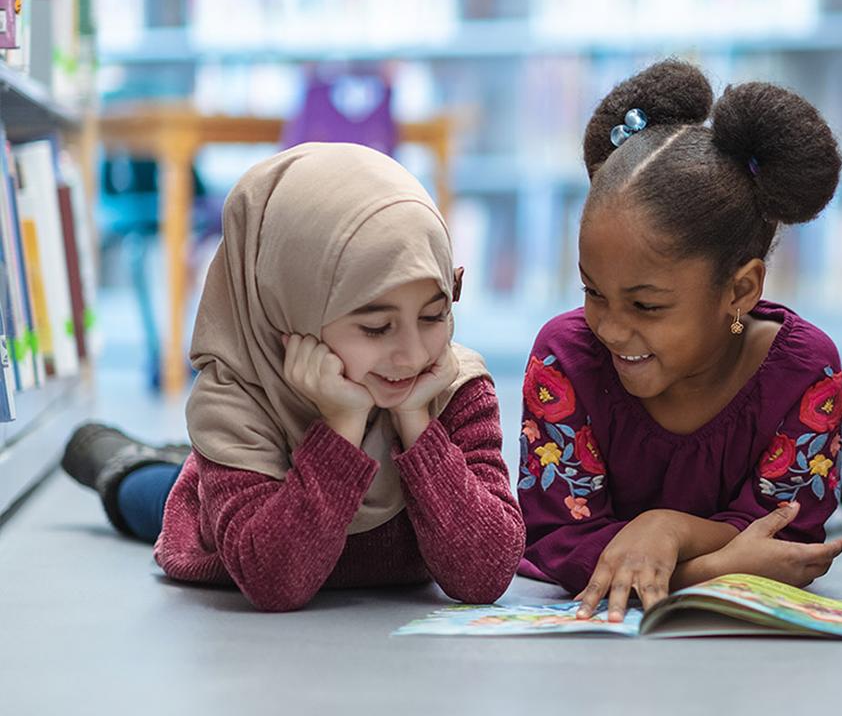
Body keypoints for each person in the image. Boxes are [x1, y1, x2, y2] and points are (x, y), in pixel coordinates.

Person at [62, 142, 525, 611]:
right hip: (228, 524)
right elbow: (275, 582)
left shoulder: (453, 385)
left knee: (200, 471)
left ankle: (185, 461)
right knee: (155, 494)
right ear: (290, 305)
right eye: (375, 327)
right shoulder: (236, 402)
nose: (410, 356)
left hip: (286, 481)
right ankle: (120, 461)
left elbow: (485, 575)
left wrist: (416, 422)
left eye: (433, 315)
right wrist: (343, 426)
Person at [516, 59, 842, 622]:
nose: (612, 328)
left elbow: (782, 535)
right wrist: (710, 569)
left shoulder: (806, 374)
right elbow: (558, 540)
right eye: (593, 291)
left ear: (740, 289)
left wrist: (663, 528)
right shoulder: (564, 359)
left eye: (647, 305)